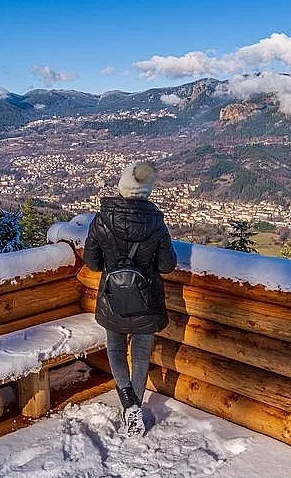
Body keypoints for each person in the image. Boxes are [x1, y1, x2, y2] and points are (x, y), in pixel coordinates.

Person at [83, 161, 177, 437]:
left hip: (113, 298)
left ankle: (129, 405)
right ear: (146, 192)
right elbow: (167, 265)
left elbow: (92, 262)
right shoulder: (156, 222)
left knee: (115, 348)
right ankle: (134, 405)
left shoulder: (102, 219)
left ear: (123, 187)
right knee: (140, 354)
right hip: (146, 299)